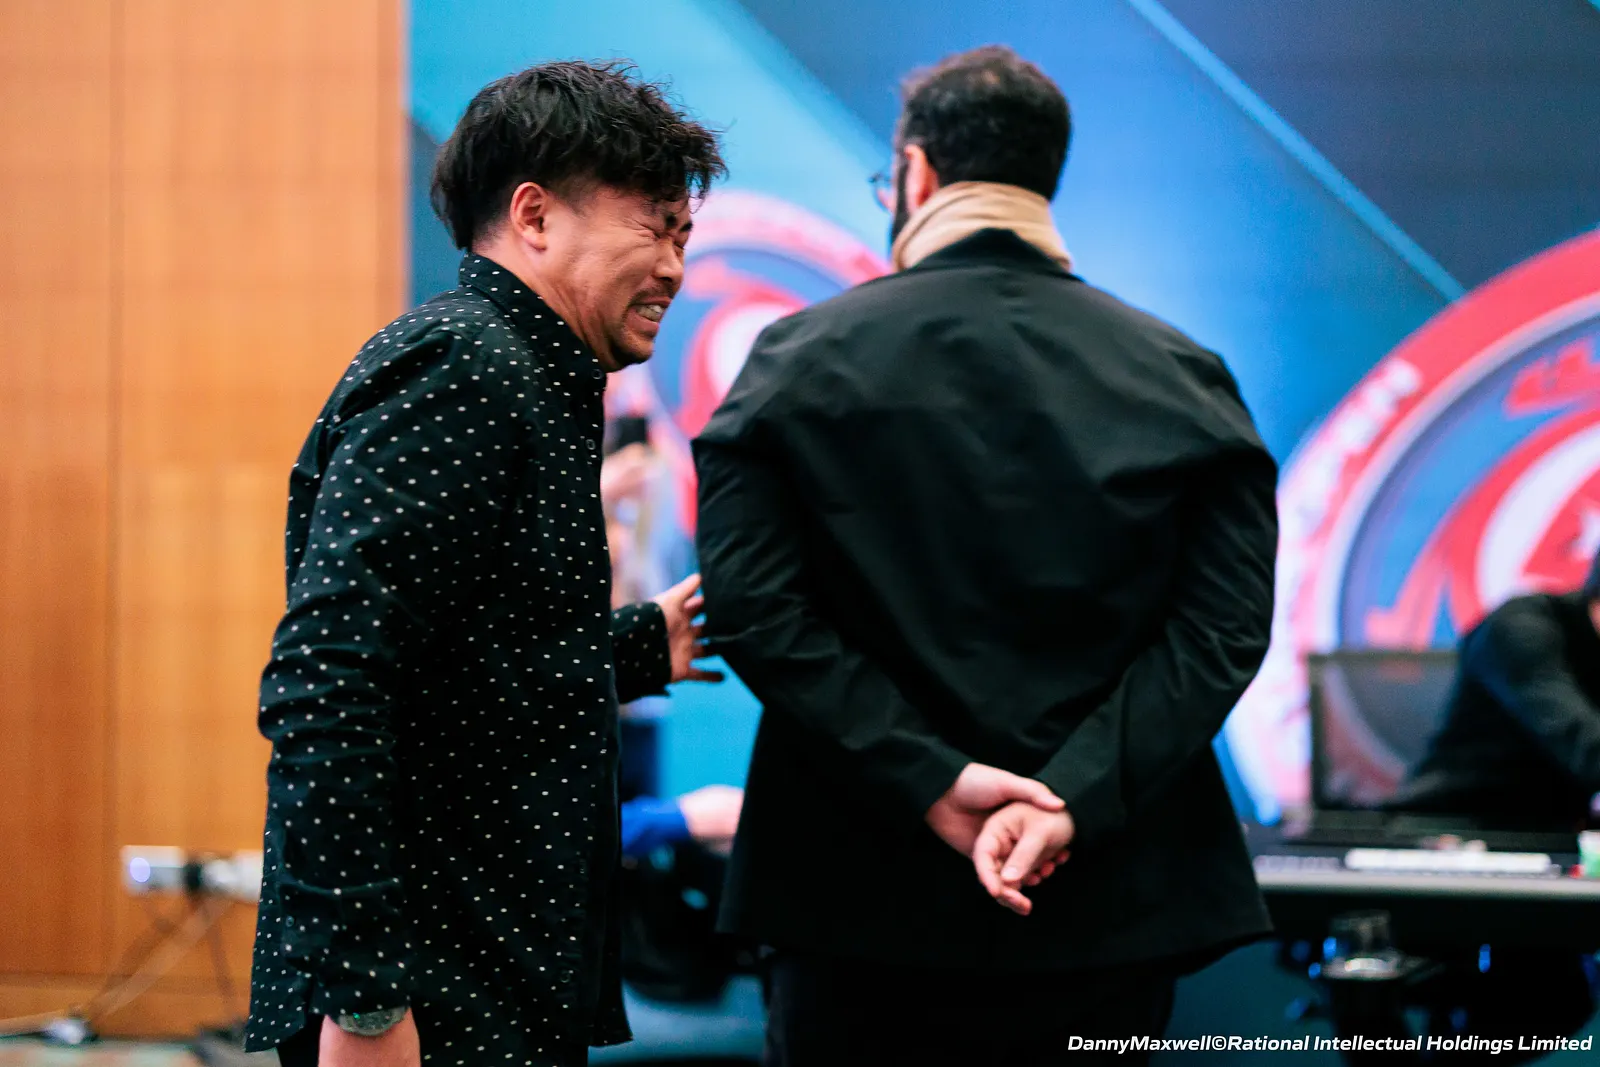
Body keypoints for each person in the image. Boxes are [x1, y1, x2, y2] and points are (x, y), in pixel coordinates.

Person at [693, 45, 1278, 1066]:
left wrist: (929, 776)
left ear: (914, 173)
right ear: (1046, 174)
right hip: (1101, 905)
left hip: (851, 900)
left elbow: (751, 610)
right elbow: (1221, 630)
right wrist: (1072, 797)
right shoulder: (1185, 376)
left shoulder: (794, 361)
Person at [243, 61, 726, 1067]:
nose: (675, 268)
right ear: (534, 216)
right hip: (427, 993)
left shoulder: (530, 373)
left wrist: (639, 647)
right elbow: (325, 683)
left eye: (684, 237)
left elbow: (467, 676)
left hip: (488, 976)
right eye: (654, 228)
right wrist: (365, 1001)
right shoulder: (466, 365)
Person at [1387, 549, 1600, 1057]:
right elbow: (1582, 742)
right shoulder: (1522, 629)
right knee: (1540, 996)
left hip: (1550, 858)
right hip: (1449, 844)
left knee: (1557, 998)